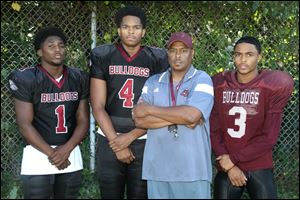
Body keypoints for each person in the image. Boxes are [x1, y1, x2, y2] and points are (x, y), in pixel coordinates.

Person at [90, 6, 169, 199]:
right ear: (119, 30)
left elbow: (161, 108)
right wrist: (117, 142)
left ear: (144, 31)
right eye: (126, 27)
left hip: (145, 139)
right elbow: (97, 106)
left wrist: (129, 137)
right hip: (109, 137)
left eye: (136, 27)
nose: (131, 31)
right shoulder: (103, 55)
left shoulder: (157, 58)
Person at [8, 26, 90, 199]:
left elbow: (83, 120)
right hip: (37, 153)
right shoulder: (27, 78)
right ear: (39, 51)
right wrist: (53, 154)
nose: (57, 50)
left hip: (70, 152)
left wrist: (65, 150)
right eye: (51, 46)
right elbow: (24, 124)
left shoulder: (78, 77)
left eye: (61, 45)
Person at [132, 32, 214, 199]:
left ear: (192, 53)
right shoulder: (153, 81)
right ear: (167, 53)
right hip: (157, 170)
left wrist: (150, 109)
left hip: (193, 170)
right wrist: (181, 116)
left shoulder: (202, 79)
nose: (178, 55)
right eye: (173, 50)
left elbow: (192, 115)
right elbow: (139, 118)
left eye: (183, 50)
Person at [210, 36, 294, 199]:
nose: (243, 59)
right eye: (238, 54)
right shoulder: (220, 83)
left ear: (259, 57)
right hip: (227, 167)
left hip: (258, 165)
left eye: (249, 54)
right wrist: (229, 166)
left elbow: (269, 137)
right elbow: (214, 130)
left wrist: (233, 159)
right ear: (233, 56)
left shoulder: (271, 85)